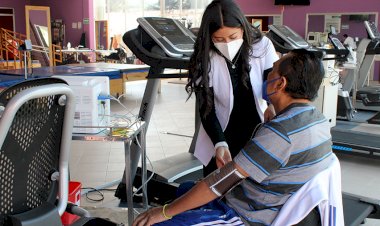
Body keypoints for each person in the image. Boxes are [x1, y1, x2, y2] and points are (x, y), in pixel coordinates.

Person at [133, 49, 338, 226]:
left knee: (162, 218)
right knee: (187, 189)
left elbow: (219, 182)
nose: (266, 76)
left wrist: (163, 212)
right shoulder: (317, 119)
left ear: (280, 84)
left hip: (247, 215)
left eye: (271, 70)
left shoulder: (280, 132)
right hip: (266, 197)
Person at [185, 0, 279, 176]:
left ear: (243, 28)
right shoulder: (204, 56)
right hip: (220, 131)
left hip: (256, 128)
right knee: (218, 185)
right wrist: (219, 143)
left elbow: (272, 82)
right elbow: (206, 107)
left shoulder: (262, 46)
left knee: (252, 186)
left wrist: (272, 104)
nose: (227, 43)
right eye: (219, 39)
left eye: (233, 37)